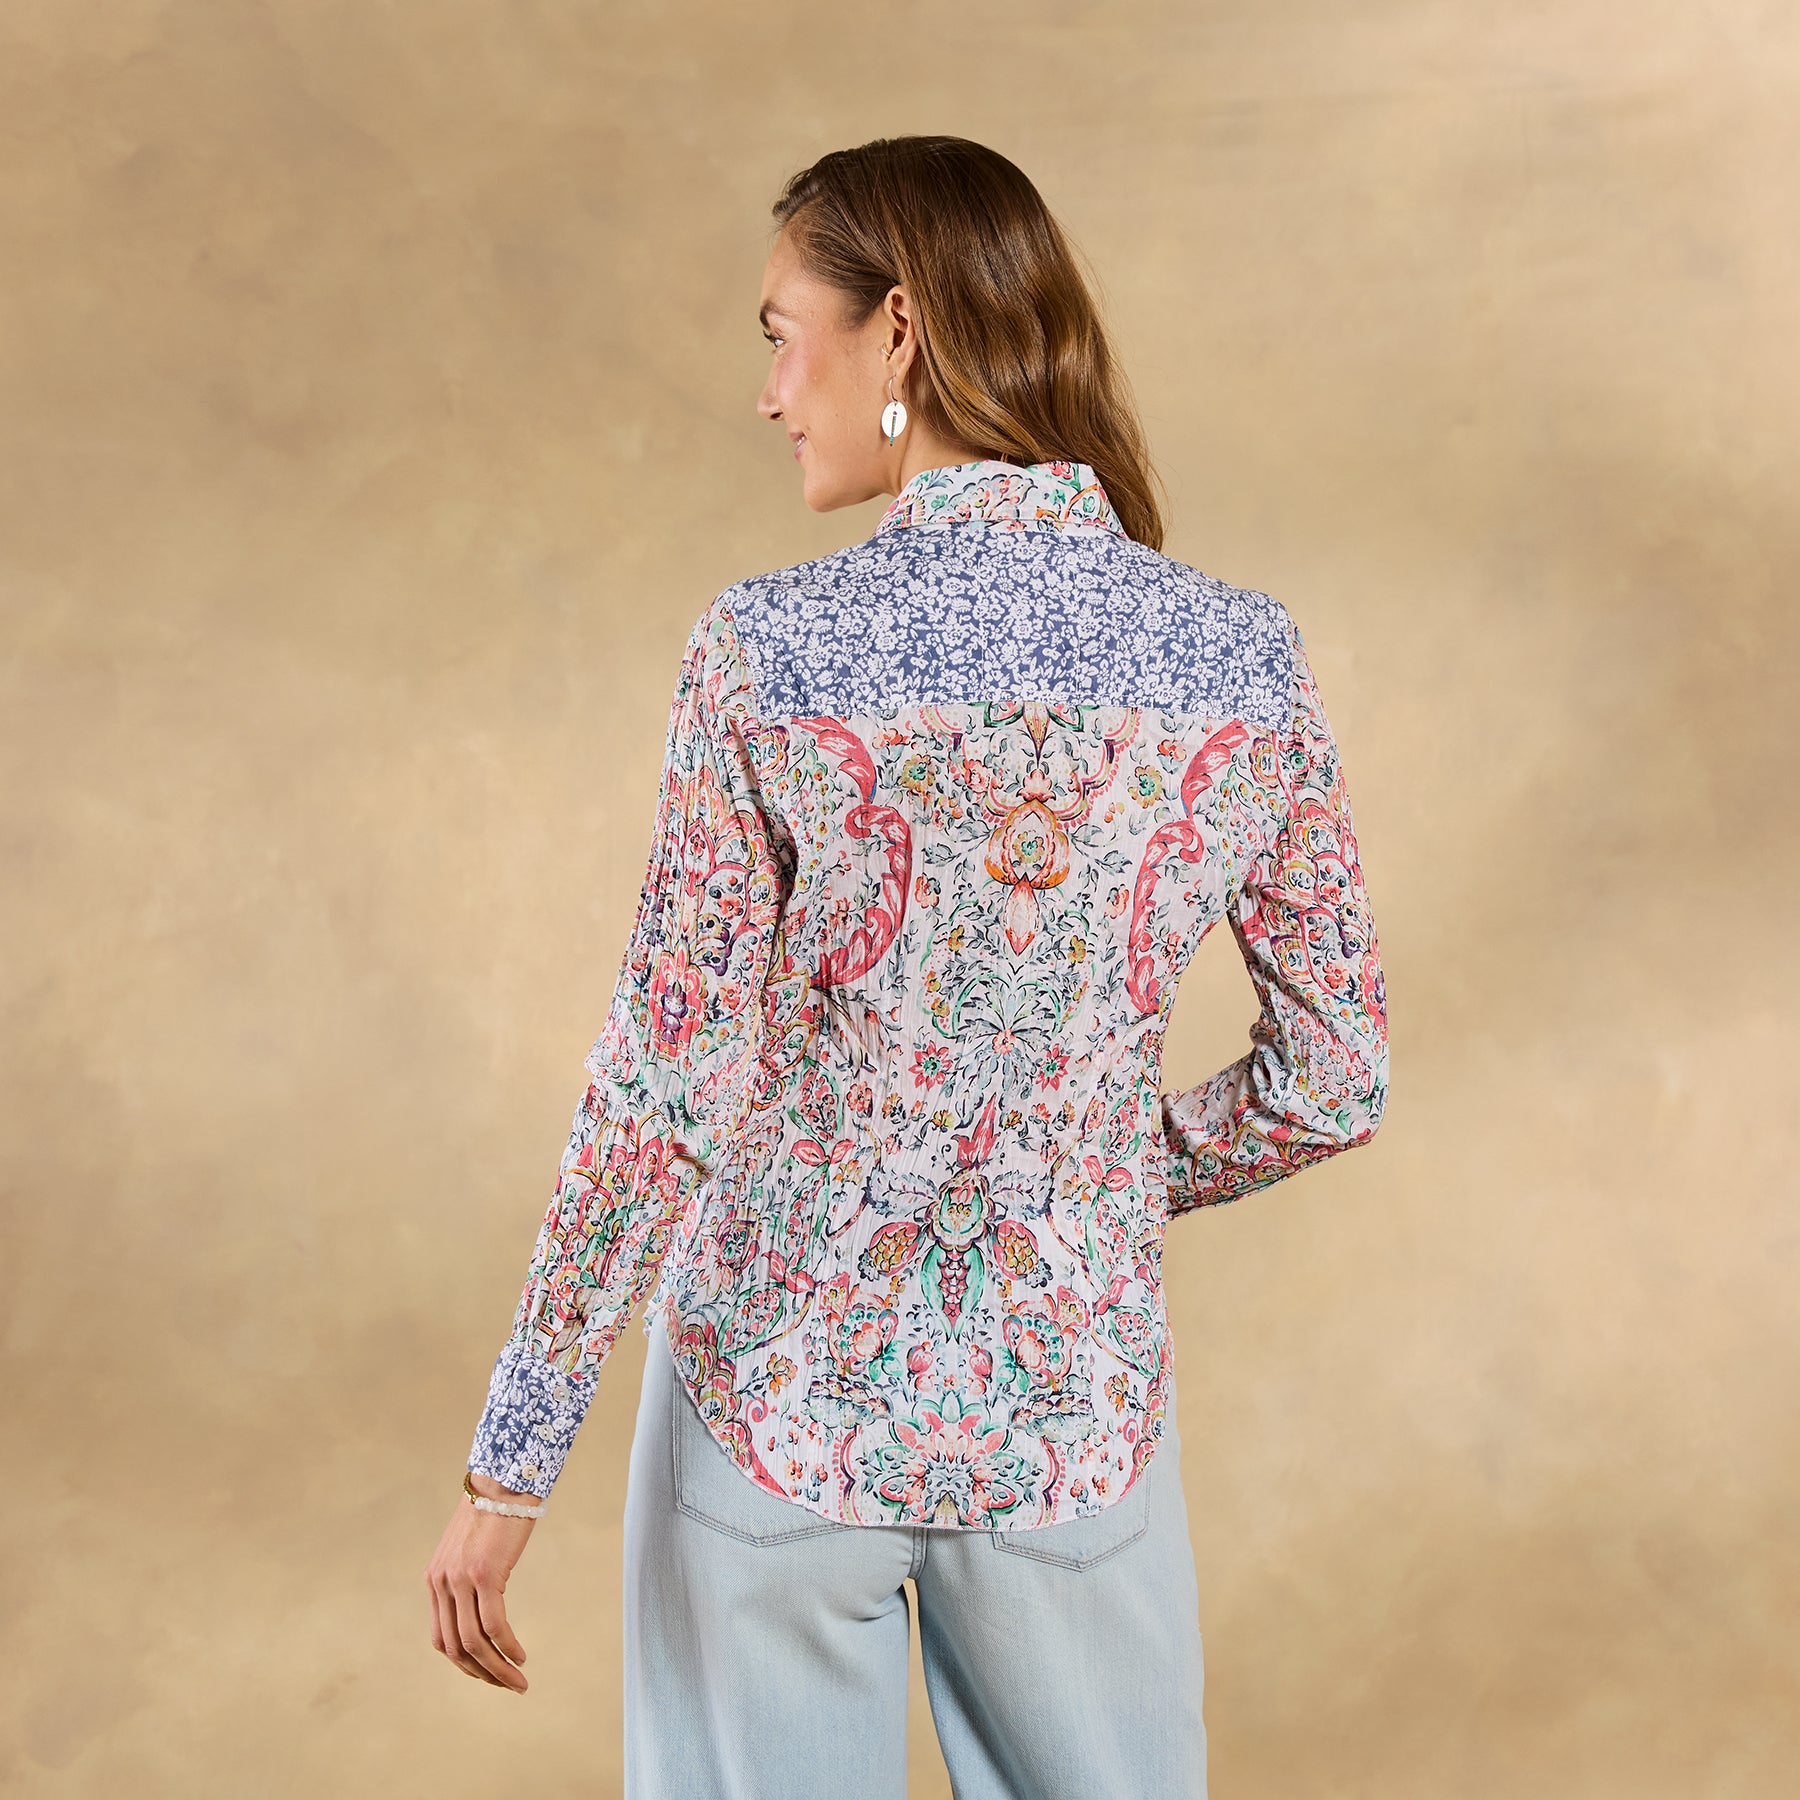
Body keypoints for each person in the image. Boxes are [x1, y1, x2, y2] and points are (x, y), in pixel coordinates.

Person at [425, 134, 1389, 1799]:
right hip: (1071, 1416)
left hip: (770, 1406)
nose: (768, 392)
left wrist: (509, 1471)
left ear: (900, 330)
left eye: (779, 333)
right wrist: (1076, 1176)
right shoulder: (1242, 659)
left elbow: (660, 1096)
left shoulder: (765, 652)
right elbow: (1337, 1078)